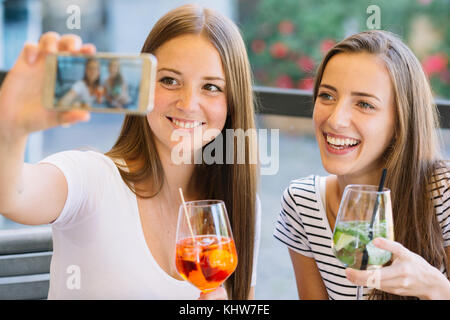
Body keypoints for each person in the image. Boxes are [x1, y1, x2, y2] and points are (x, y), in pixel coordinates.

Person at [0, 4, 260, 300]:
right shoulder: (91, 177)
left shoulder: (238, 203)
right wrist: (10, 129)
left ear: (233, 103)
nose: (188, 103)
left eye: (211, 87)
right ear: (142, 86)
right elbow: (12, 195)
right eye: (169, 81)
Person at [274, 30, 450, 300]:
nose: (336, 119)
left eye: (365, 104)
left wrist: (435, 288)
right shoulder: (302, 203)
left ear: (401, 122)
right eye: (327, 96)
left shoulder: (442, 190)